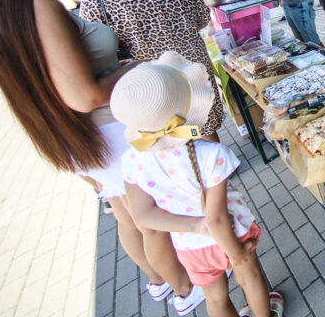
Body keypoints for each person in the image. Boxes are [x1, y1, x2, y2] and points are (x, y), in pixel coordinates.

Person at [0, 0, 206, 314]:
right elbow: (85, 93)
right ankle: (187, 289)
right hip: (112, 130)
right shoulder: (41, 5)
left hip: (89, 138)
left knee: (129, 216)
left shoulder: (12, 11)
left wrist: (115, 66)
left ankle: (159, 282)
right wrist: (136, 69)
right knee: (152, 220)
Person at [113, 52, 284, 317]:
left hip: (189, 245)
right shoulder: (212, 155)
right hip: (231, 233)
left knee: (214, 299)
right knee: (250, 278)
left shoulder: (130, 161)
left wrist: (195, 227)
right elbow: (216, 220)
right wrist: (236, 253)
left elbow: (143, 216)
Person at [79, 0, 224, 143]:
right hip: (194, 81)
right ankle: (218, 163)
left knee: (165, 145)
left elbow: (95, 47)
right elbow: (202, 18)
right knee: (204, 132)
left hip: (148, 92)